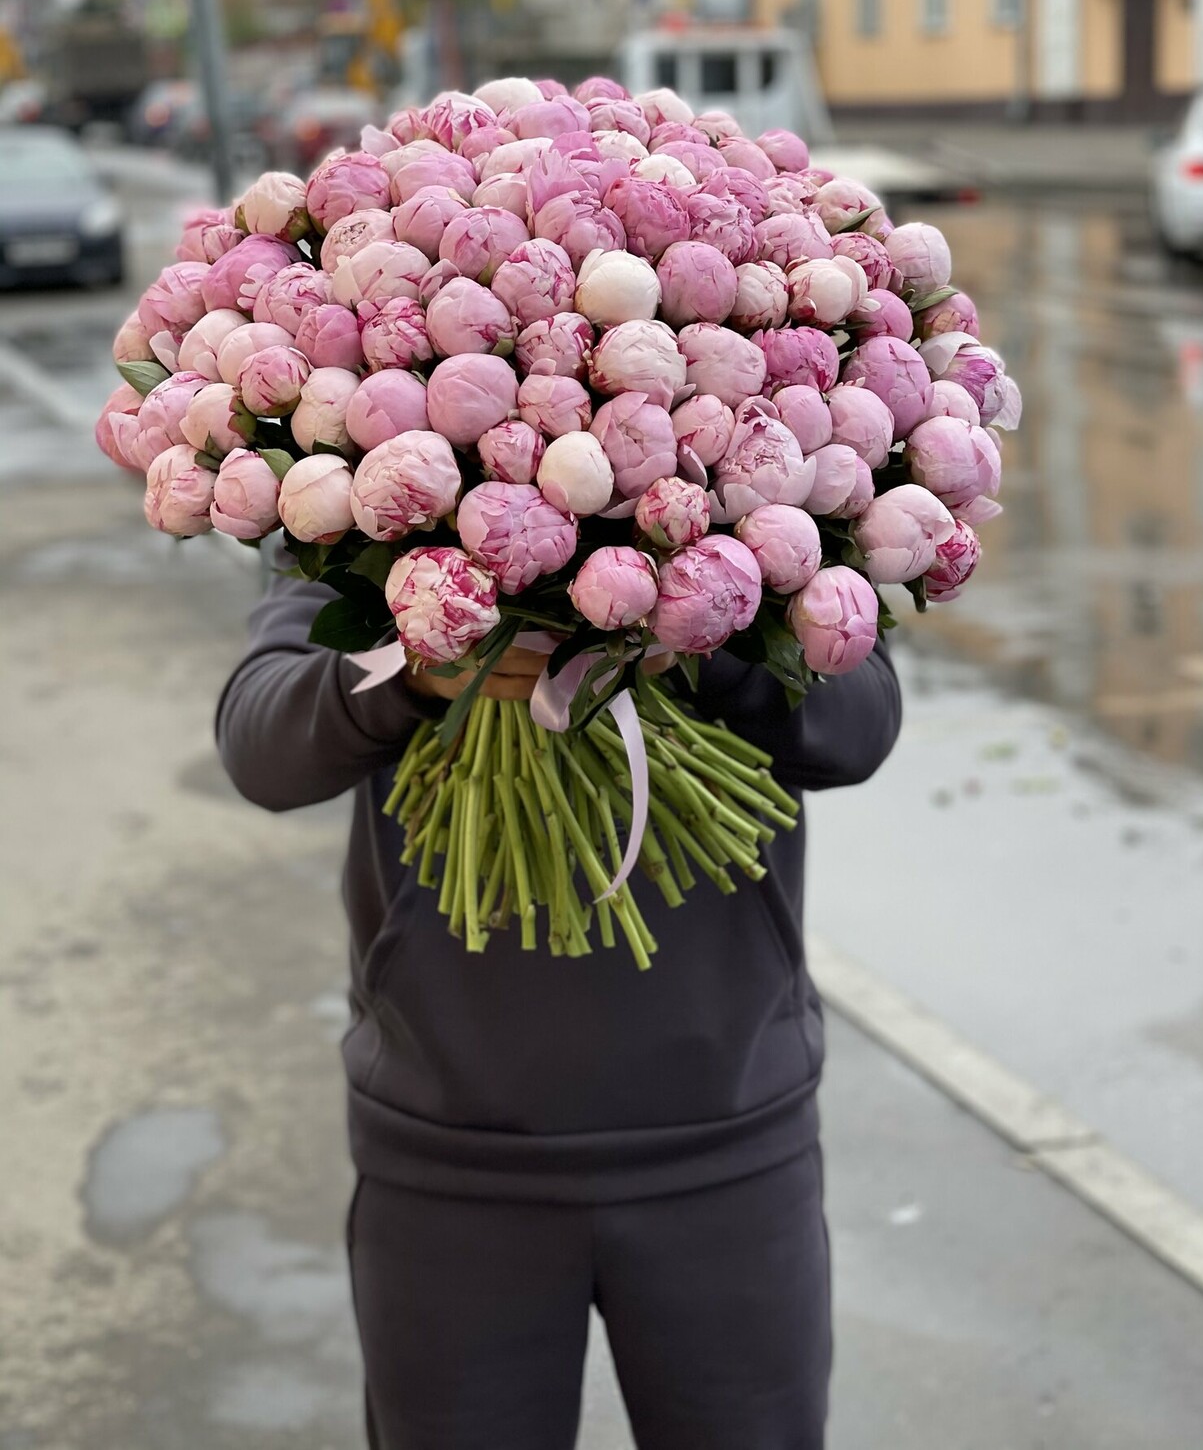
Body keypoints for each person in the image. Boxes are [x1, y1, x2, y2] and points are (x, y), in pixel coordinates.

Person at [216, 560, 902, 1450]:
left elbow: (863, 721)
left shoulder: (768, 513)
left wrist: (712, 632)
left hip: (728, 1147)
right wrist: (415, 669)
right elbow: (260, 743)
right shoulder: (352, 530)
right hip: (451, 1162)